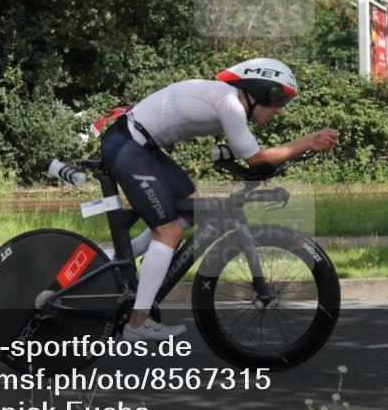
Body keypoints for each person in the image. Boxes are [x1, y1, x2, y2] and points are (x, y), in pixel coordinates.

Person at [98, 57, 340, 341]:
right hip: (129, 146)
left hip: (141, 146)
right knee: (169, 231)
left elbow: (247, 157)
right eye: (278, 102)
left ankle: (108, 264)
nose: (279, 111)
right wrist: (307, 142)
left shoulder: (228, 99)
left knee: (191, 210)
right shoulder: (231, 105)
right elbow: (255, 157)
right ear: (262, 92)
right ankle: (137, 323)